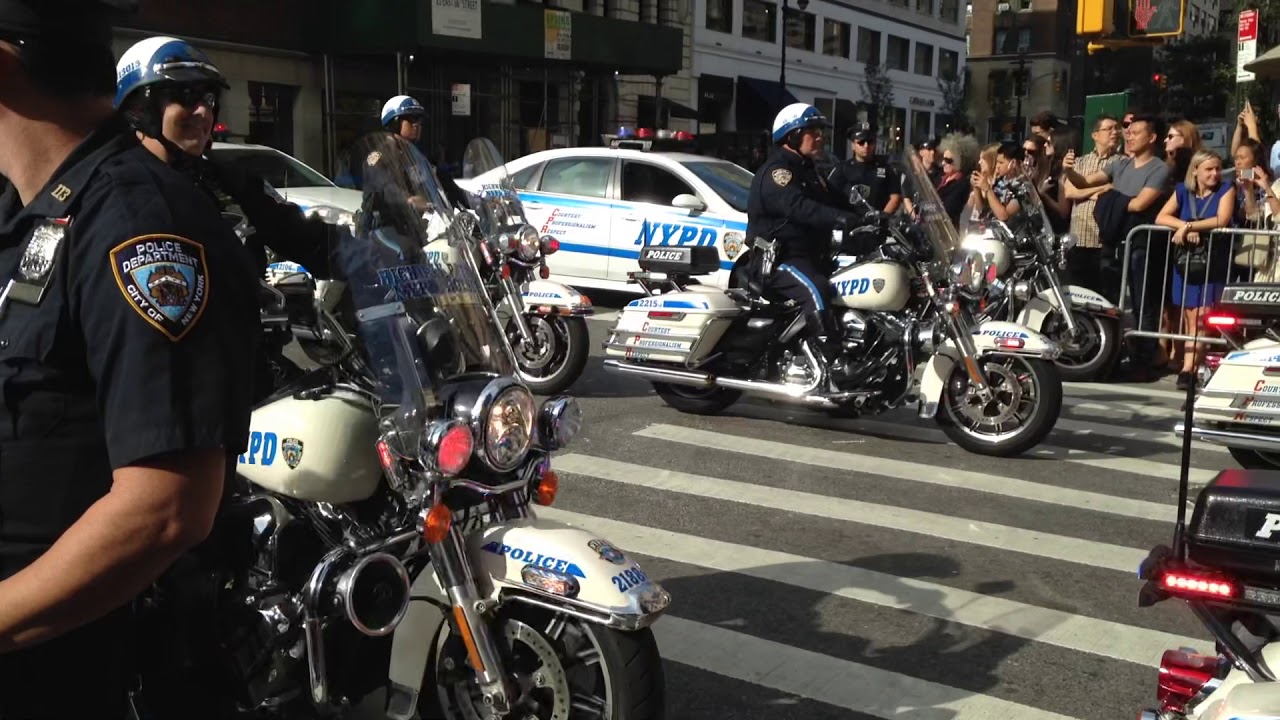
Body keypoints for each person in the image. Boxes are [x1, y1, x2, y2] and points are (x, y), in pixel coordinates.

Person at [0, 2, 257, 718]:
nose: (200, 113)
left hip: (54, 665)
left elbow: (164, 510)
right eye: (182, 97)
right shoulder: (30, 207)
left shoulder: (142, 220)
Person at [114, 36, 341, 397]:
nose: (203, 111)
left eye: (208, 98)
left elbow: (305, 237)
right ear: (140, 108)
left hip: (247, 377)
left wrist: (377, 255)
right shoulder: (112, 194)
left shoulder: (227, 182)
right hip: (162, 394)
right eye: (185, 96)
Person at [747, 103, 861, 366]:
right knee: (816, 289)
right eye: (812, 131)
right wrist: (839, 218)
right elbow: (799, 208)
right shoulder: (778, 173)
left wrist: (872, 216)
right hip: (778, 261)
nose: (820, 136)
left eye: (821, 131)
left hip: (810, 258)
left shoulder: (810, 170)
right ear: (792, 135)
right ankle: (833, 362)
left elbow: (835, 201)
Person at [380, 94, 470, 210]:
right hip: (386, 222)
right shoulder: (381, 156)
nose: (416, 125)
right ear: (394, 123)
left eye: (419, 120)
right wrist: (406, 200)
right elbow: (380, 189)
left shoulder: (419, 156)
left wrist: (476, 201)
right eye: (411, 119)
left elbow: (445, 182)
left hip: (416, 222)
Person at [827, 121, 902, 214]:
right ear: (853, 146)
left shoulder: (886, 168)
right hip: (850, 224)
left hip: (877, 224)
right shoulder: (842, 169)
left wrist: (882, 218)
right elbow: (828, 196)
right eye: (861, 142)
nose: (866, 146)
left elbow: (895, 197)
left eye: (870, 142)